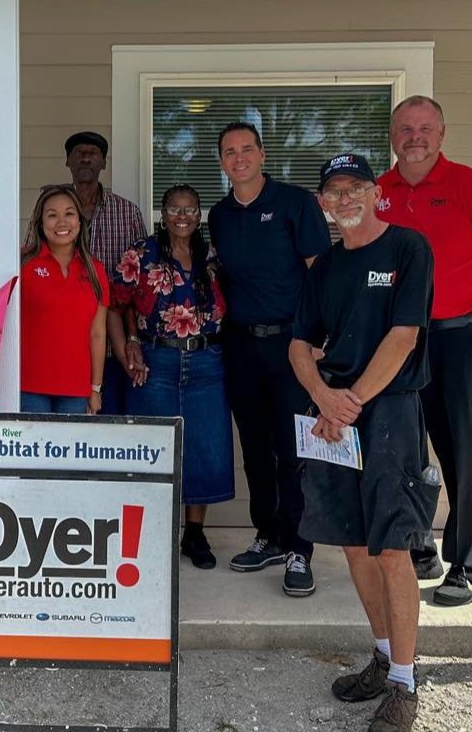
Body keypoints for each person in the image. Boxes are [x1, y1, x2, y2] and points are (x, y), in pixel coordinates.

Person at [289, 153, 435, 732]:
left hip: (389, 411)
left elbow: (404, 337)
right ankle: (381, 655)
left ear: (376, 193)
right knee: (352, 543)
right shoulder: (325, 266)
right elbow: (299, 345)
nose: (345, 199)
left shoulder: (407, 249)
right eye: (334, 191)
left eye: (355, 188)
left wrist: (349, 402)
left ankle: (405, 683)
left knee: (392, 546)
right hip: (335, 413)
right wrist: (324, 397)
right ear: (322, 204)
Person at [376, 95, 472, 607]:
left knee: (461, 451)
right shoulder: (378, 193)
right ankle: (418, 545)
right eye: (405, 128)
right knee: (402, 449)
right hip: (395, 341)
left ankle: (468, 561)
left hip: (453, 337)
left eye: (425, 128)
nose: (414, 137)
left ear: (441, 134)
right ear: (393, 135)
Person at [208, 121, 331, 597]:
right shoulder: (219, 215)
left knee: (294, 448)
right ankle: (270, 535)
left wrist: (320, 339)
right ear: (222, 162)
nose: (238, 158)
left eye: (246, 149)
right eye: (229, 151)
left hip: (291, 345)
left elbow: (321, 275)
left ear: (262, 155)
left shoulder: (295, 203)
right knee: (255, 447)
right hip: (240, 345)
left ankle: (300, 547)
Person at [111, 185, 234, 569]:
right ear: (163, 214)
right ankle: (154, 534)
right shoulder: (141, 253)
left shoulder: (211, 255)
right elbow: (116, 304)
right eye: (175, 209)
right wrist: (128, 345)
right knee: (153, 449)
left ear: (199, 215)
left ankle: (194, 534)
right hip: (156, 359)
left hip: (207, 360)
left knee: (203, 446)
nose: (183, 216)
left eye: (191, 209)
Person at [58, 131, 148, 415]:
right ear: (68, 161)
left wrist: (132, 339)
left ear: (104, 163)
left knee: (112, 428)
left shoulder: (127, 213)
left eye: (93, 153)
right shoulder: (52, 211)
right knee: (67, 431)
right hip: (63, 345)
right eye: (79, 153)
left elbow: (141, 282)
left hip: (113, 347)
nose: (85, 158)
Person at [19, 185, 109, 414]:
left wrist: (95, 388)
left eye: (69, 213)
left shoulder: (95, 270)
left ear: (79, 221)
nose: (62, 222)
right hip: (28, 387)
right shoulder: (22, 264)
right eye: (52, 215)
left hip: (76, 390)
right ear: (40, 223)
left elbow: (98, 333)